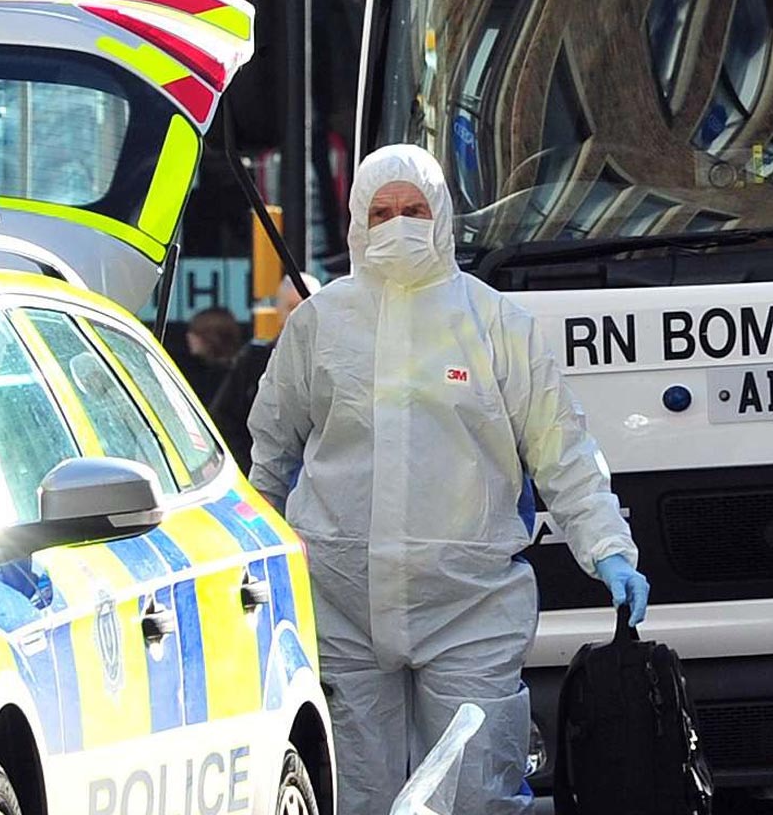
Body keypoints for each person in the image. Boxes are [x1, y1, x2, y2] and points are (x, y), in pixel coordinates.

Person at [247, 145, 648, 815]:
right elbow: (271, 456)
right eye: (381, 212)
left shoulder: (496, 325)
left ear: (441, 217)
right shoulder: (319, 324)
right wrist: (257, 568)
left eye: (413, 209)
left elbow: (562, 451)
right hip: (341, 603)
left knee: (474, 794)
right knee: (356, 797)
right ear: (356, 219)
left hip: (471, 605)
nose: (397, 224)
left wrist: (608, 548)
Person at [209, 270, 317, 470]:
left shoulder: (330, 363)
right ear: (279, 311)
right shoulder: (253, 360)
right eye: (292, 307)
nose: (299, 316)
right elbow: (223, 421)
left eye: (307, 307)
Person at [178, 305, 243, 405]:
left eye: (196, 332)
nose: (189, 336)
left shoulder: (225, 378)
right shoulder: (197, 370)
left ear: (211, 337)